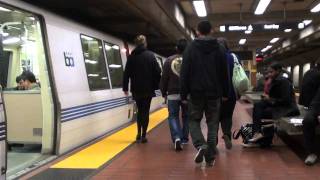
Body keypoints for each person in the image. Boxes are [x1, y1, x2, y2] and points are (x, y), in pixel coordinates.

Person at [180, 21, 229, 166]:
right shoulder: (220, 48)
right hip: (214, 93)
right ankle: (210, 156)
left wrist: (183, 94)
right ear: (211, 30)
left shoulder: (190, 48)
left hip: (196, 93)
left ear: (197, 31)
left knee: (193, 120)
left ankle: (201, 145)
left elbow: (184, 73)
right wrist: (226, 92)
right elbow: (224, 73)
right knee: (213, 124)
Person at [123, 35, 161, 143]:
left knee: (139, 111)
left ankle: (138, 133)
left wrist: (125, 87)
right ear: (145, 43)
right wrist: (158, 85)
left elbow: (126, 73)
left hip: (136, 88)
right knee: (145, 111)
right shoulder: (150, 56)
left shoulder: (131, 56)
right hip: (148, 89)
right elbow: (158, 72)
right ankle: (144, 135)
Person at [248, 63, 300, 144]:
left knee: (260, 113)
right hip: (278, 105)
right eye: (268, 72)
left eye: (271, 72)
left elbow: (286, 100)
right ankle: (257, 133)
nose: (269, 74)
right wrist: (267, 98)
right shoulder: (275, 80)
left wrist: (269, 98)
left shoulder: (284, 82)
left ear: (278, 71)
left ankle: (264, 135)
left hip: (287, 108)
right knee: (258, 105)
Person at [160, 39, 189, 151]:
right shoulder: (190, 59)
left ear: (177, 48)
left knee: (173, 116)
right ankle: (185, 139)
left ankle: (177, 137)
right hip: (187, 94)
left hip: (172, 93)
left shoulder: (168, 60)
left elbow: (164, 78)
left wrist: (163, 92)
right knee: (186, 116)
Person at [216, 38, 237, 150]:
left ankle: (213, 139)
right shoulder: (233, 57)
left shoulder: (213, 57)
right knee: (227, 116)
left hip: (216, 93)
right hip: (231, 93)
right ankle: (227, 134)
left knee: (214, 117)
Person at [299, 60, 320, 165]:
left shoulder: (310, 73)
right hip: (315, 106)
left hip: (310, 104)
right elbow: (317, 100)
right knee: (308, 120)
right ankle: (311, 152)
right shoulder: (314, 75)